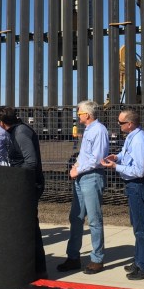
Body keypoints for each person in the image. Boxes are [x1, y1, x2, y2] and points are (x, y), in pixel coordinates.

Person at [56, 100, 109, 275]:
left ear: (87, 114)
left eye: (79, 113)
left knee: (94, 219)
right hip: (81, 176)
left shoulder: (99, 130)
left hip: (92, 177)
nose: (78, 116)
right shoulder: (88, 130)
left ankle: (97, 259)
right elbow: (84, 154)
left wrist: (78, 169)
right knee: (76, 217)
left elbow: (97, 158)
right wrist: (76, 166)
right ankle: (73, 257)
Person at [101, 109, 144, 280]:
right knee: (137, 224)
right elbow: (126, 154)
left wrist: (115, 167)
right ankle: (139, 261)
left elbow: (138, 171)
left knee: (141, 227)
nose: (119, 125)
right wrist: (116, 157)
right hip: (133, 185)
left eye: (121, 122)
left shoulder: (139, 140)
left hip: (138, 184)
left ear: (130, 124)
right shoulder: (132, 137)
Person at [0, 106, 47, 278]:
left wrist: (14, 177)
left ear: (1, 122)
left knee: (29, 226)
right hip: (23, 183)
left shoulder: (20, 133)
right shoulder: (15, 131)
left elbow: (31, 162)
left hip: (29, 185)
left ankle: (39, 268)